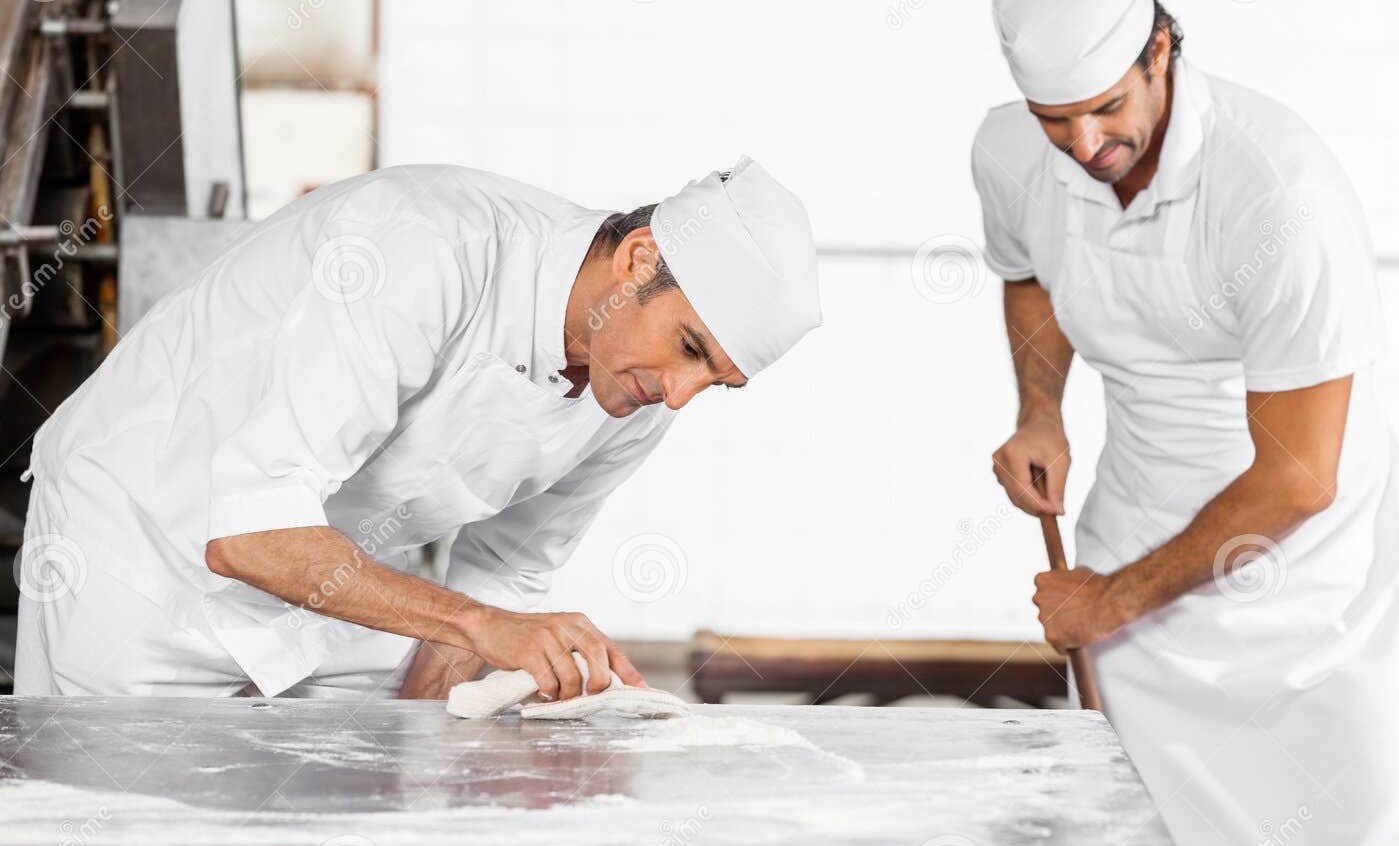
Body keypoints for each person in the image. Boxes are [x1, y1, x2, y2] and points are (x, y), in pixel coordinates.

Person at [974, 0, 1399, 846]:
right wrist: (1040, 410)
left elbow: (1295, 478)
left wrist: (1102, 603)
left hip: (1319, 573)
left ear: (1162, 50)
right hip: (1140, 535)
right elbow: (1026, 269)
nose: (1081, 142)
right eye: (1054, 119)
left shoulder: (1275, 190)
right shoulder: (1010, 149)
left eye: (1106, 107)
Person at [16, 158, 820, 702]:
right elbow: (250, 532)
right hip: (140, 546)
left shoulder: (633, 395)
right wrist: (482, 627)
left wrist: (431, 766)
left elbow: (499, 578)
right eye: (690, 349)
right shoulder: (425, 250)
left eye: (716, 381)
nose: (681, 396)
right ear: (639, 260)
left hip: (324, 587)